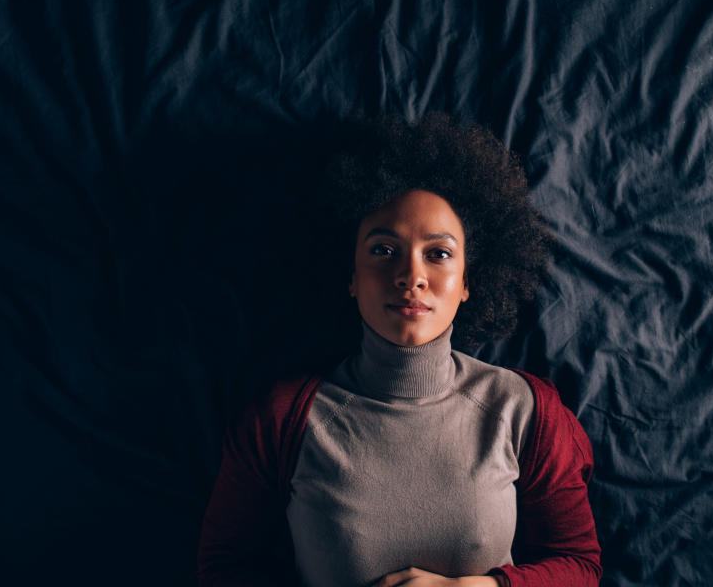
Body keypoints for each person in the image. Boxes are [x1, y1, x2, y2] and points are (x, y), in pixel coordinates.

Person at [197, 114, 601, 587]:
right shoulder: (282, 421)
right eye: (384, 250)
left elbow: (580, 566)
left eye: (439, 253)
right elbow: (222, 570)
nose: (411, 276)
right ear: (350, 275)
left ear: (469, 280)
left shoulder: (526, 412)